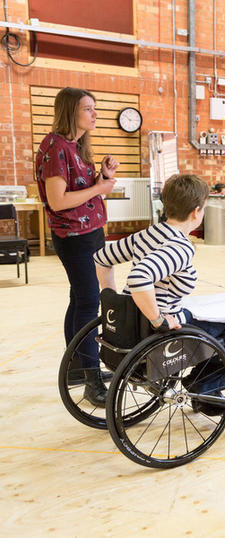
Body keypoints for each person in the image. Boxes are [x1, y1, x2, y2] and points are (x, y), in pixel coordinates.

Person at [94, 174, 225, 411]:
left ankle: (205, 386)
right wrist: (157, 319)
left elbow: (101, 258)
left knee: (206, 312)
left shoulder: (148, 234)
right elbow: (140, 277)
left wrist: (112, 298)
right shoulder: (180, 246)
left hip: (131, 323)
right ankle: (206, 390)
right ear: (196, 212)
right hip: (159, 329)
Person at [35, 87, 119, 406]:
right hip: (74, 237)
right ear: (71, 111)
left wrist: (102, 176)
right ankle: (91, 378)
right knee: (87, 303)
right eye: (88, 108)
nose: (95, 114)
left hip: (90, 232)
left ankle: (76, 368)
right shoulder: (55, 148)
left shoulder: (76, 145)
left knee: (79, 299)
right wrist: (100, 186)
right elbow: (58, 201)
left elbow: (80, 189)